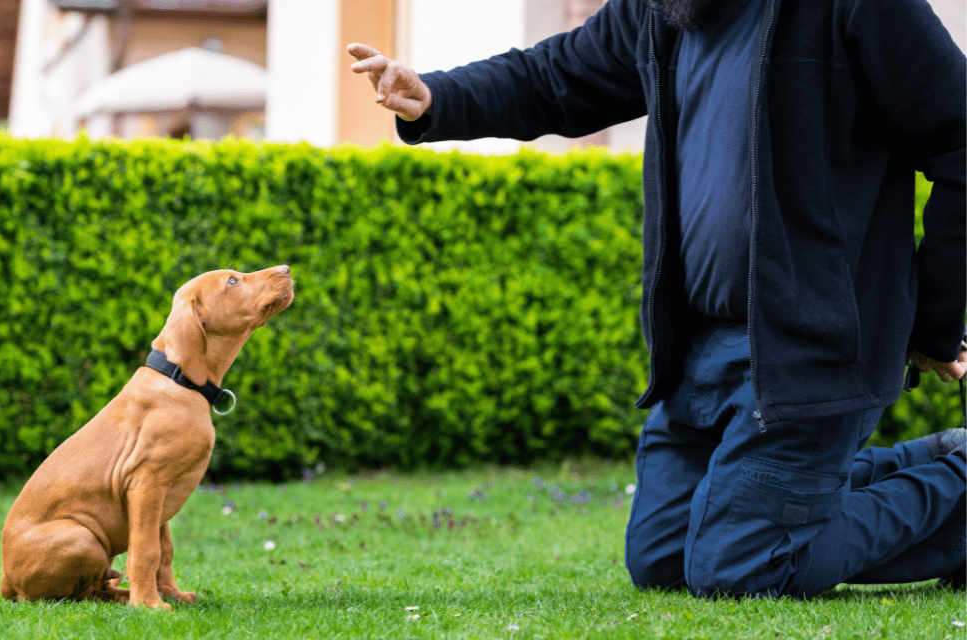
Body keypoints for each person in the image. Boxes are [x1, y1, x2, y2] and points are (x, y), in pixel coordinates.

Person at [348, 0, 966, 598]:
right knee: (663, 557)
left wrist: (931, 324)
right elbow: (555, 75)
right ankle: (908, 475)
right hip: (697, 353)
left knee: (738, 568)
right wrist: (437, 97)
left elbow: (960, 143)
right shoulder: (663, 10)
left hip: (812, 351)